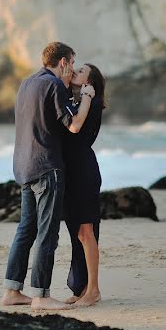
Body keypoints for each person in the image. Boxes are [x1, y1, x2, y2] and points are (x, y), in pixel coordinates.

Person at [0, 42, 95, 310]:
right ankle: (41, 295)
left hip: (23, 166)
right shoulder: (52, 85)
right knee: (47, 234)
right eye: (72, 64)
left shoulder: (27, 83)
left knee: (25, 231)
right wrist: (86, 96)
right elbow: (74, 125)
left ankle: (12, 291)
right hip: (46, 167)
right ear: (63, 62)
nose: (73, 69)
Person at [62, 63, 105, 307]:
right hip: (72, 172)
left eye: (80, 71)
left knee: (87, 232)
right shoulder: (78, 101)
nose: (74, 72)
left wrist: (84, 95)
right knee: (78, 233)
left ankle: (94, 291)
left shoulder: (93, 102)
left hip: (84, 172)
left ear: (90, 82)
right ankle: (81, 288)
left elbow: (77, 129)